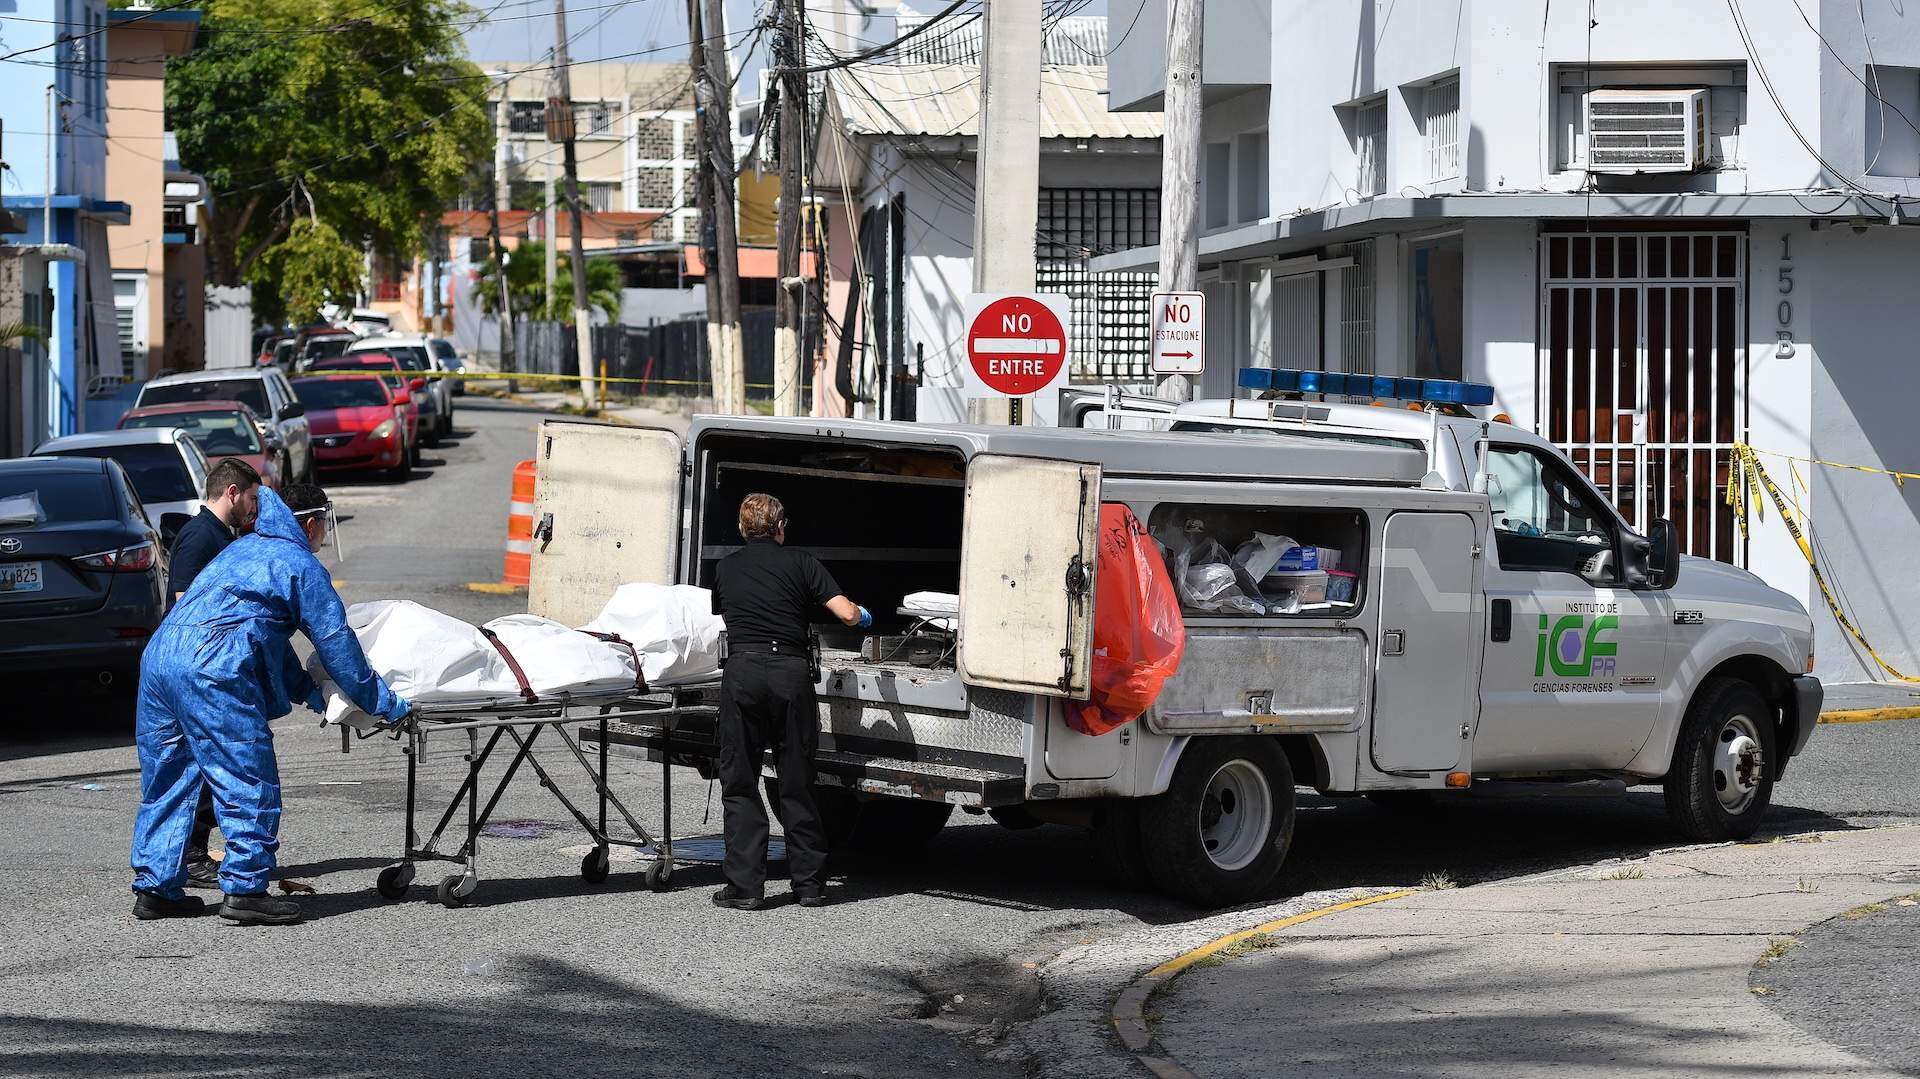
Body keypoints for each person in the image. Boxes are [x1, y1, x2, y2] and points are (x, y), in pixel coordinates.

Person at [129, 483, 411, 926]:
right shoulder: (299, 563)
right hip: (213, 669)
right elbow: (338, 646)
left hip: (161, 660)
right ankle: (245, 889)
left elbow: (265, 639)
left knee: (168, 779)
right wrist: (385, 703)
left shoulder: (240, 551)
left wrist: (310, 694)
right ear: (313, 524)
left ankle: (156, 888)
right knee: (246, 779)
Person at [709, 492, 870, 911]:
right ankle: (810, 885)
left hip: (742, 672)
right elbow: (848, 615)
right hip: (790, 674)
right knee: (797, 781)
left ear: (743, 529)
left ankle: (745, 887)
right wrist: (863, 616)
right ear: (781, 528)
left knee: (740, 780)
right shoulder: (802, 563)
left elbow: (725, 614)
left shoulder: (726, 568)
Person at [163, 457, 263, 891]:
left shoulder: (223, 535)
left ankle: (190, 853)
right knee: (198, 767)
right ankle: (191, 856)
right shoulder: (200, 537)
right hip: (192, 665)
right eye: (253, 498)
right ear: (232, 493)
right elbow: (185, 600)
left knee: (205, 763)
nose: (254, 508)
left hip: (207, 663)